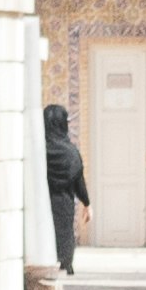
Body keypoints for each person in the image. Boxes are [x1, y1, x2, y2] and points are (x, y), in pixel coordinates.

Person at [41, 103, 87, 277]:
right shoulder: (70, 152)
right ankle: (65, 262)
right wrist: (86, 203)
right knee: (64, 231)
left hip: (42, 201)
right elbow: (78, 179)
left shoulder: (39, 151)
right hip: (63, 201)